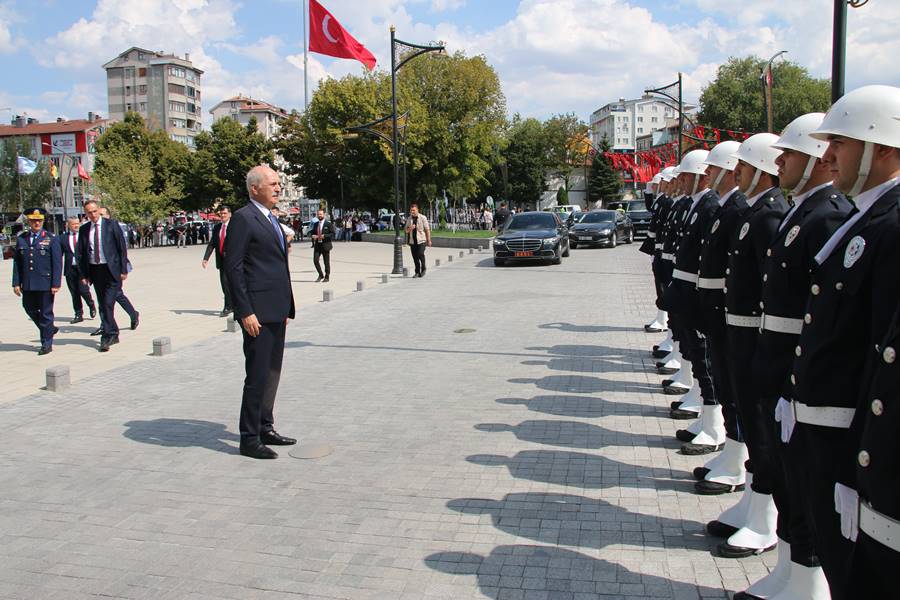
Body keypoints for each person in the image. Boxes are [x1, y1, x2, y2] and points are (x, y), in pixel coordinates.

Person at [786, 85, 900, 599]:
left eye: (842, 143)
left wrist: (860, 466)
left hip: (852, 442)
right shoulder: (865, 217)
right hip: (826, 430)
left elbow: (881, 355)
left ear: (887, 150)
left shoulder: (892, 226)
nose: (827, 155)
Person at [737, 113, 852, 599]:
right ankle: (792, 568)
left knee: (804, 482)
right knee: (788, 475)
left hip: (796, 369)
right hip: (778, 361)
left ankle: (806, 576)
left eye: (791, 154)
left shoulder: (827, 214)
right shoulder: (801, 212)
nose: (780, 162)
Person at [718, 133, 790, 560]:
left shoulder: (770, 214)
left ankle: (765, 519)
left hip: (758, 337)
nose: (734, 173)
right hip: (740, 331)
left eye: (743, 167)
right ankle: (754, 499)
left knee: (762, 430)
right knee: (745, 414)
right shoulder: (759, 211)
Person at [225, 165, 296, 460]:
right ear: (255, 188)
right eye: (273, 183)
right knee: (256, 375)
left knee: (272, 372)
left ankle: (265, 426)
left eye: (279, 183)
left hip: (276, 308)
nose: (278, 188)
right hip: (257, 312)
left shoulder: (270, 217)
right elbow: (234, 268)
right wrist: (245, 312)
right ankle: (249, 437)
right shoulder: (244, 218)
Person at [78, 200, 130, 352]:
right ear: (86, 213)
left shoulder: (111, 225)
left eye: (94, 211)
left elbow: (122, 248)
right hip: (96, 270)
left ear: (99, 210)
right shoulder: (85, 229)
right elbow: (81, 253)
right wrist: (84, 274)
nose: (92, 215)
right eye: (89, 212)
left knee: (108, 303)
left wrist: (123, 270)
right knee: (103, 303)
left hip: (112, 270)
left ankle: (107, 335)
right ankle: (113, 332)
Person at [12, 208, 61, 355]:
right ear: (29, 221)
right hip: (28, 283)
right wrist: (16, 283)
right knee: (29, 308)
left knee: (46, 313)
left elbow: (57, 263)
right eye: (33, 220)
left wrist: (55, 283)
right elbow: (17, 264)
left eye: (39, 220)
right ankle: (49, 329)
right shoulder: (22, 238)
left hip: (45, 282)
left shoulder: (51, 238)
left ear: (43, 221)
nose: (37, 223)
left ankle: (46, 343)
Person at [90, 207, 139, 336]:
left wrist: (123, 270)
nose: (98, 216)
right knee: (105, 299)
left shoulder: (114, 227)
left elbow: (122, 249)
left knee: (115, 296)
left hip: (115, 270)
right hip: (100, 270)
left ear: (108, 216)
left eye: (102, 214)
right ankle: (105, 325)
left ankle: (133, 314)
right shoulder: (92, 229)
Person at [56, 216, 96, 324]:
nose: (76, 226)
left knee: (84, 290)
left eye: (77, 223)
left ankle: (91, 304)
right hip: (70, 269)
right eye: (73, 224)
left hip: (82, 269)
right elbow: (59, 254)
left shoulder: (84, 236)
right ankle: (78, 314)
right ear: (68, 225)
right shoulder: (62, 238)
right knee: (74, 293)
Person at [202, 205, 233, 317]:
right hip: (222, 261)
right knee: (225, 284)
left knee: (235, 284)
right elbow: (212, 244)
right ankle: (228, 306)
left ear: (230, 214)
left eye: (225, 213)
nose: (222, 216)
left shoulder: (235, 226)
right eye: (221, 214)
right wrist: (206, 258)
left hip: (234, 261)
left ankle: (232, 305)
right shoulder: (217, 227)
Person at [405, 203, 431, 277]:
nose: (412, 212)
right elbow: (406, 231)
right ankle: (417, 272)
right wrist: (410, 228)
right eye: (411, 210)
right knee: (415, 257)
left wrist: (429, 240)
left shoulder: (423, 217)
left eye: (413, 210)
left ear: (417, 210)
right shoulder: (409, 219)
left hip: (421, 241)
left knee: (420, 254)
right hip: (412, 241)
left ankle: (423, 269)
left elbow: (427, 229)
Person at [310, 208, 334, 282]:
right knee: (315, 260)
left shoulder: (328, 224)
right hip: (318, 245)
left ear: (324, 215)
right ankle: (320, 274)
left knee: (326, 262)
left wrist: (325, 236)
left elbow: (332, 233)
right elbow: (312, 232)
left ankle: (327, 276)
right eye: (318, 214)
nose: (319, 215)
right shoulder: (316, 224)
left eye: (321, 214)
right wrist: (313, 235)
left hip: (325, 245)